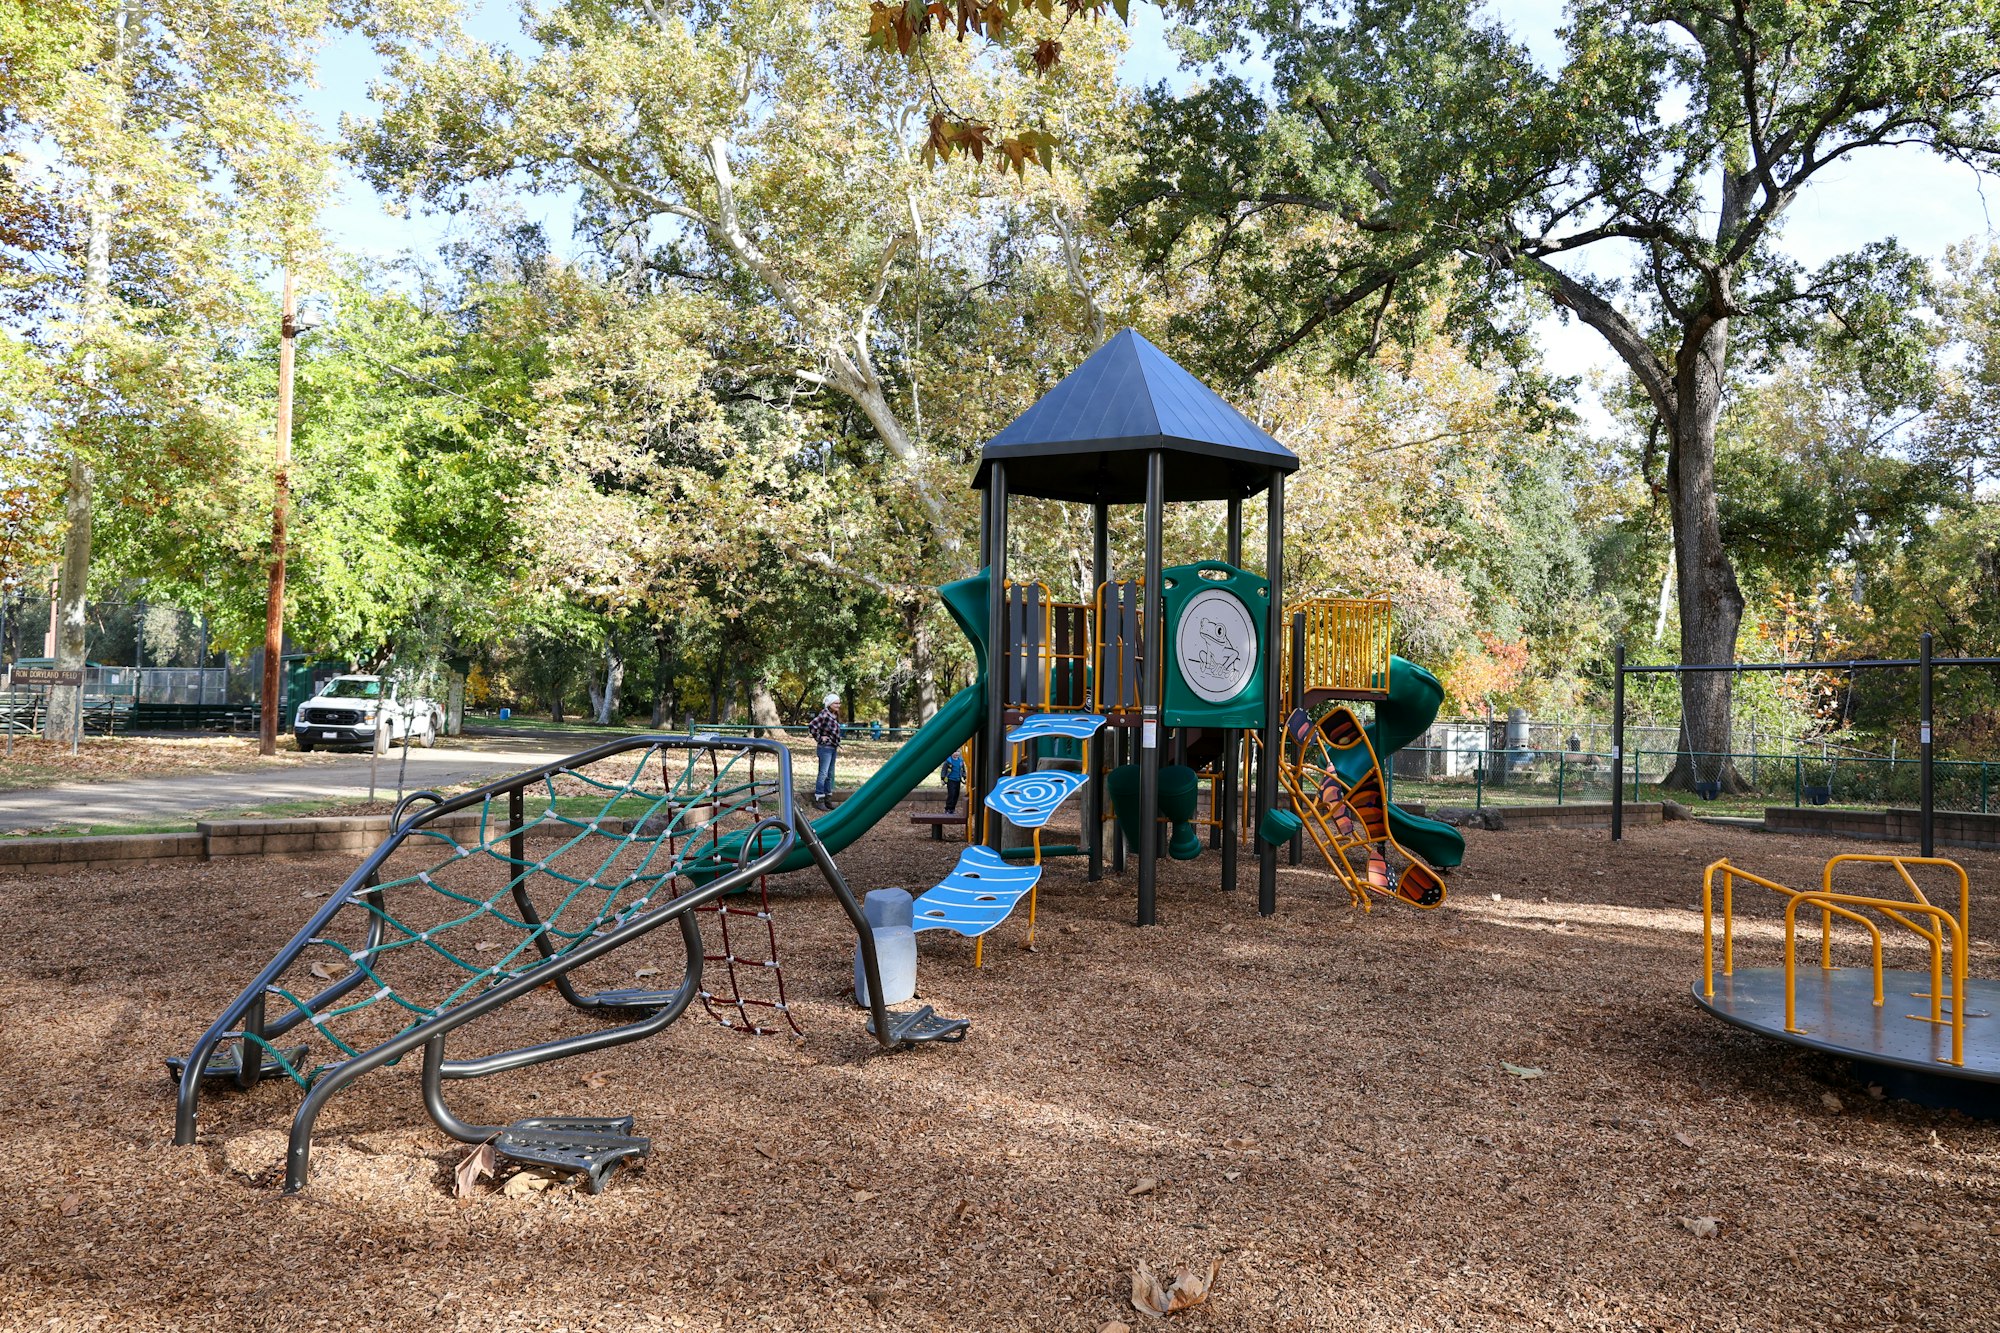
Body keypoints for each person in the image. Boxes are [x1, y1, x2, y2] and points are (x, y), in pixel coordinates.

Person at [808, 691, 843, 809]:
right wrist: (819, 738)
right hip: (825, 748)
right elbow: (812, 726)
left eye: (839, 703)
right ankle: (819, 799)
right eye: (835, 703)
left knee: (830, 774)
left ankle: (828, 798)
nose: (838, 705)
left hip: (833, 747)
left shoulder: (834, 715)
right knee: (823, 773)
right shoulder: (824, 714)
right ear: (829, 704)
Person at [940, 749, 965, 814]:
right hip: (950, 780)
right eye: (954, 752)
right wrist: (942, 778)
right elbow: (944, 770)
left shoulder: (960, 761)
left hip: (958, 780)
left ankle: (952, 809)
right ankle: (948, 808)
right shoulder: (948, 761)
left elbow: (963, 769)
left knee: (956, 794)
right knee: (951, 794)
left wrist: (964, 776)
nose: (956, 753)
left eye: (958, 752)